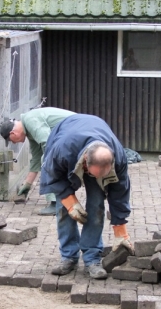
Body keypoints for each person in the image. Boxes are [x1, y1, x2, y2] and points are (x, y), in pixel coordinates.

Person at [39, 114, 134, 279]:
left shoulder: (118, 158)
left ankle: (92, 259)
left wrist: (120, 230)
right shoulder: (62, 150)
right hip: (68, 139)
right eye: (92, 174)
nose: (95, 178)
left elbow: (120, 192)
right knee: (64, 209)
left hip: (93, 136)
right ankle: (68, 256)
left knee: (97, 204)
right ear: (85, 162)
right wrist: (69, 200)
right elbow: (51, 175)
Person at [0, 107, 75, 215]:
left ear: (13, 134)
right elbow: (35, 158)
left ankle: (55, 203)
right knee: (44, 157)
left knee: (47, 159)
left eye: (11, 141)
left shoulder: (31, 120)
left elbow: (48, 144)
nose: (15, 143)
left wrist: (47, 162)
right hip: (72, 134)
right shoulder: (29, 128)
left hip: (78, 130)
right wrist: (27, 185)